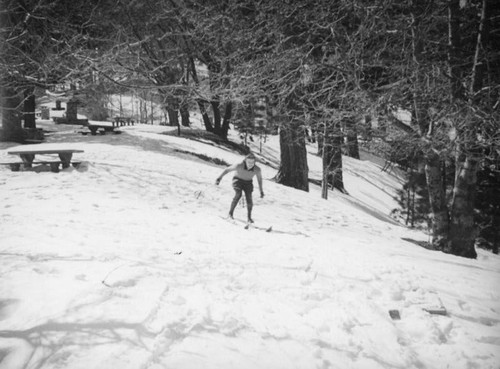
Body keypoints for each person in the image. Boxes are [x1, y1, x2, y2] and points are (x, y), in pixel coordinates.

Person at [216, 153, 264, 222]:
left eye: (252, 162)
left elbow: (259, 180)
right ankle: (230, 213)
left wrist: (261, 191)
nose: (250, 164)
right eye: (248, 162)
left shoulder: (257, 169)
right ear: (245, 161)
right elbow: (227, 170)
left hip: (248, 183)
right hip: (238, 180)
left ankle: (249, 218)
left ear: (255, 162)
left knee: (249, 198)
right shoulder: (239, 165)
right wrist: (219, 178)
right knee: (238, 194)